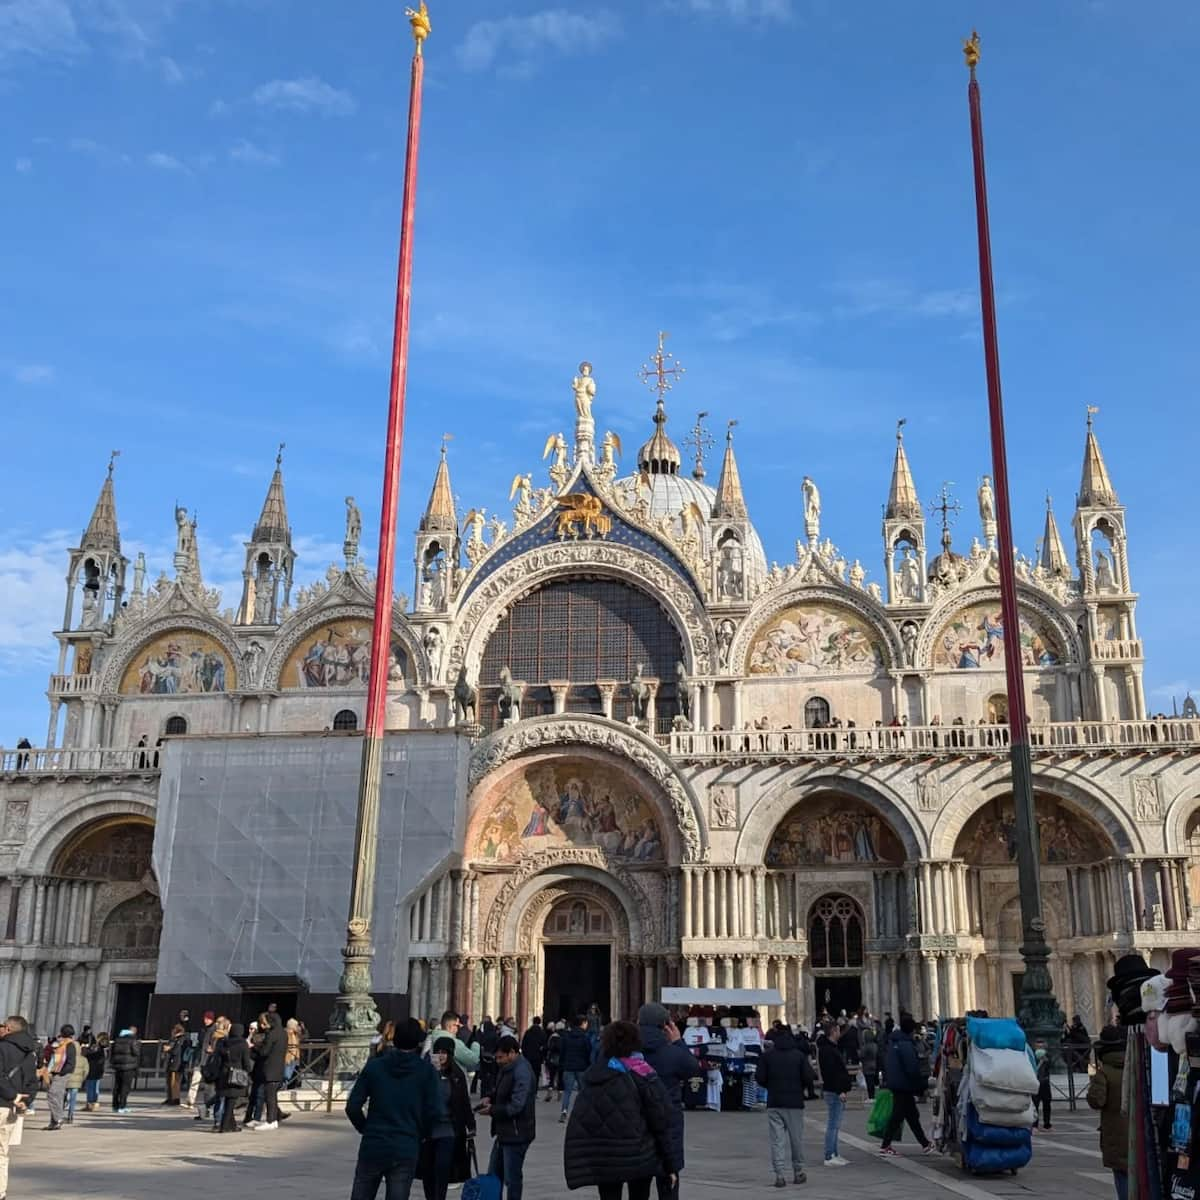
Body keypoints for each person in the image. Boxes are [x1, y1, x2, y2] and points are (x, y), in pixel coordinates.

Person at [564, 1019, 678, 1200]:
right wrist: (670, 1165)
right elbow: (662, 1121)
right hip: (640, 1156)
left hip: (606, 1159)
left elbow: (581, 1122)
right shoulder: (644, 1073)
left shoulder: (594, 1076)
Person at [346, 1017, 441, 1200]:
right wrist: (420, 1134)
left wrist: (366, 1129)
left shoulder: (375, 1066)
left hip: (374, 1142)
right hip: (405, 1143)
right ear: (418, 1042)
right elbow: (435, 1112)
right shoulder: (426, 1072)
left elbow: (352, 1106)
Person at [636, 1003, 702, 1200]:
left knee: (638, 1189)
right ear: (666, 1025)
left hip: (636, 1127)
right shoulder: (673, 1053)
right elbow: (693, 1069)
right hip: (668, 1126)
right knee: (669, 1187)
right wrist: (678, 1042)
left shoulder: (628, 1053)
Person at [416, 1036, 476, 1200]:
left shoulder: (457, 1075)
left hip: (449, 1128)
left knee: (442, 1167)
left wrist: (471, 1125)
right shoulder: (426, 1073)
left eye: (444, 1053)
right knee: (428, 1170)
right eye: (438, 1052)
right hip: (428, 1129)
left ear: (450, 1054)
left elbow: (464, 1101)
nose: (441, 1056)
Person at [755, 1023, 814, 1188]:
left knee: (777, 1140)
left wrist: (770, 1086)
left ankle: (780, 1174)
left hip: (775, 1101)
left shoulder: (768, 1056)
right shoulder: (798, 1055)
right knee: (796, 1139)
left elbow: (759, 1077)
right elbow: (809, 1077)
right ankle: (798, 1171)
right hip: (795, 1102)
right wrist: (799, 1087)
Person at [479, 1034, 536, 1200]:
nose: (498, 1060)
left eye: (500, 1057)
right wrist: (490, 1097)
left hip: (517, 1132)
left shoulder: (522, 1071)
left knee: (512, 1179)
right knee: (493, 1175)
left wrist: (492, 1110)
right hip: (504, 1132)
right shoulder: (507, 1068)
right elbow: (500, 1089)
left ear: (512, 1053)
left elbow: (517, 1105)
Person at [879, 1016, 933, 1157]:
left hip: (897, 1083)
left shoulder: (893, 1042)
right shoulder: (905, 1044)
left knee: (912, 1115)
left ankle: (925, 1144)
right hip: (903, 1084)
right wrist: (921, 1084)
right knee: (897, 1116)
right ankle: (885, 1146)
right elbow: (912, 1068)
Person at [1087, 1026, 1128, 1200]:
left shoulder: (1104, 1073)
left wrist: (1093, 1086)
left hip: (1114, 1132)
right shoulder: (1134, 1067)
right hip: (1138, 1131)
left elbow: (1097, 1101)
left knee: (1121, 1173)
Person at [0, 1015, 38, 1196]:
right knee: (2, 1151)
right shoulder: (30, 1053)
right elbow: (32, 1083)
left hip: (3, 1101)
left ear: (8, 1029)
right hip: (12, 1109)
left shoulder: (2, 1048)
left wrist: (11, 1095)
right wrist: (24, 1101)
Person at [816, 1022, 851, 1167]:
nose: (839, 1033)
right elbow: (832, 1073)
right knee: (833, 1124)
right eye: (837, 1031)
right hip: (833, 1090)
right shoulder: (828, 1050)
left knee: (836, 1124)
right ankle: (829, 1155)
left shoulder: (829, 1048)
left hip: (834, 1089)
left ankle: (834, 1153)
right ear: (832, 1032)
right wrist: (840, 1090)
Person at [249, 1012, 287, 1132]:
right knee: (272, 1096)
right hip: (279, 1067)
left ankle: (270, 1120)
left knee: (269, 1096)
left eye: (265, 1023)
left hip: (269, 1068)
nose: (264, 1026)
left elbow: (264, 1051)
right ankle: (274, 1119)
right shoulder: (283, 1033)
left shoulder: (272, 1034)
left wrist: (253, 1048)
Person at [214, 1022, 253, 1133]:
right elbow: (246, 1062)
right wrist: (248, 1072)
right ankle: (224, 1126)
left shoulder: (223, 1042)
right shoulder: (243, 1044)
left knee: (227, 1100)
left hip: (223, 1073)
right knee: (231, 1102)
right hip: (237, 1074)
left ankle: (232, 1125)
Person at [40, 1024, 78, 1130]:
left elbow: (71, 1063)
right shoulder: (61, 1044)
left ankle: (58, 1119)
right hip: (55, 1072)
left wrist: (61, 1072)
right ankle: (54, 1122)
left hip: (62, 1074)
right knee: (58, 1097)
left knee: (52, 1095)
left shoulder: (70, 1045)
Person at [425, 1010, 480, 1076]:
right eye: (457, 1025)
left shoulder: (432, 1037)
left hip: (434, 1078)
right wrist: (475, 1043)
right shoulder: (453, 1042)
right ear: (450, 1026)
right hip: (451, 1081)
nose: (458, 1028)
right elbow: (473, 1060)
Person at [560, 1014, 592, 1122]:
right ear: (583, 1023)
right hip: (581, 1067)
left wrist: (562, 1064)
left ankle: (564, 1111)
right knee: (583, 1091)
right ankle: (584, 1112)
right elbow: (588, 1052)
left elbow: (562, 1052)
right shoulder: (585, 1037)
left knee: (567, 1091)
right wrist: (588, 1064)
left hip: (568, 1066)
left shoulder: (566, 1036)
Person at [186, 1012, 217, 1111]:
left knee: (208, 1084)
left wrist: (212, 1048)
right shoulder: (202, 1030)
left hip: (208, 1059)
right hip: (200, 1058)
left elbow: (215, 1042)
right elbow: (199, 1043)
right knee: (195, 1079)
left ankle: (209, 1102)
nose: (205, 1020)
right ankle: (190, 1101)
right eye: (205, 1018)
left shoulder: (215, 1029)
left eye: (208, 1019)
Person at [109, 1027, 140, 1114]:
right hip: (128, 1067)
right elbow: (136, 1052)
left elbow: (113, 1053)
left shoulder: (117, 1040)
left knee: (117, 1087)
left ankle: (115, 1105)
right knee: (125, 1087)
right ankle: (122, 1106)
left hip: (118, 1066)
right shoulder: (132, 1040)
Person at [64, 1030, 88, 1123]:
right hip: (76, 1083)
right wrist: (82, 1079)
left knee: (64, 1097)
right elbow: (86, 1071)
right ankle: (71, 1115)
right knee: (73, 1099)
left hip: (66, 1080)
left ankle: (61, 1113)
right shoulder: (83, 1059)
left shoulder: (67, 1057)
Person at [162, 1023, 187, 1105]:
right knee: (169, 1081)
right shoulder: (173, 1039)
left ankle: (175, 1098)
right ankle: (170, 1097)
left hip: (177, 1062)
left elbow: (176, 1051)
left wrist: (169, 1049)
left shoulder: (181, 1039)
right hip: (171, 1062)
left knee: (174, 1082)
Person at [521, 1017, 548, 1090]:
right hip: (538, 1057)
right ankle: (534, 1089)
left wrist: (525, 1054)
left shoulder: (528, 1032)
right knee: (536, 1074)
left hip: (528, 1057)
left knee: (528, 1073)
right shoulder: (542, 1033)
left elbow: (523, 1045)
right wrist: (543, 1056)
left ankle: (528, 1088)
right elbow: (545, 1046)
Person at [83, 1033, 108, 1111]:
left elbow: (89, 1056)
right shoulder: (104, 1050)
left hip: (92, 1069)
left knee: (90, 1087)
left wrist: (87, 1052)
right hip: (98, 1070)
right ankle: (94, 1103)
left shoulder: (96, 1050)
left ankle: (90, 1103)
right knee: (95, 1087)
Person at [1033, 1043, 1052, 1130]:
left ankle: (1047, 1124)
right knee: (1035, 1104)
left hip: (1045, 1083)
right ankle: (1034, 1124)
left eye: (1042, 1047)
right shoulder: (1032, 1058)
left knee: (1047, 1103)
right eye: (1038, 1047)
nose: (1040, 1049)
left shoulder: (1048, 1058)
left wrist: (1046, 1060)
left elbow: (1050, 1067)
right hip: (1036, 1083)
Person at [544, 1021, 563, 1101]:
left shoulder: (552, 1037)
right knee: (560, 1078)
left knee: (551, 1077)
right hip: (561, 1059)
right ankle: (560, 1095)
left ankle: (550, 1093)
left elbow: (549, 1047)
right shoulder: (564, 1037)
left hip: (552, 1059)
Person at [859, 1027, 879, 1100]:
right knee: (873, 1082)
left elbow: (862, 1056)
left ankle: (871, 1096)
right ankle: (872, 1095)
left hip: (867, 1065)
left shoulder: (865, 1046)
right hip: (874, 1064)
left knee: (869, 1082)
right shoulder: (875, 1045)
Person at [284, 1017, 302, 1087]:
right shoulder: (286, 1033)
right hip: (288, 1057)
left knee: (292, 1076)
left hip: (295, 1058)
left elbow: (304, 1036)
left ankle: (289, 1086)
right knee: (286, 1075)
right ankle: (283, 1088)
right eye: (296, 1025)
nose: (297, 1027)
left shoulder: (296, 1034)